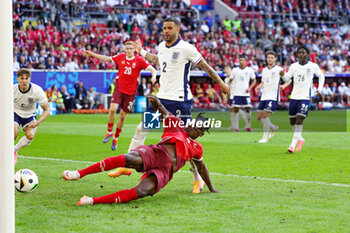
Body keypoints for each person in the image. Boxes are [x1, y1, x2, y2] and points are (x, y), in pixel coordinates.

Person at [108, 17, 229, 195]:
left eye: (170, 28)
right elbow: (160, 61)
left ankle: (198, 179)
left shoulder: (187, 48)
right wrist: (142, 52)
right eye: (164, 28)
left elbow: (206, 67)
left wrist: (221, 83)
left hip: (179, 101)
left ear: (177, 30)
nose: (166, 31)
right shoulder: (162, 46)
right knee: (141, 129)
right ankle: (126, 165)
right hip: (161, 99)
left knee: (186, 143)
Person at [62, 94, 219, 206]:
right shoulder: (177, 124)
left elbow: (202, 168)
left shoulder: (197, 148)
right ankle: (79, 173)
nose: (192, 126)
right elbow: (164, 112)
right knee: (129, 158)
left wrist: (211, 188)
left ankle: (91, 201)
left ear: (201, 133)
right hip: (156, 154)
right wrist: (157, 103)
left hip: (165, 171)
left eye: (198, 127)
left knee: (142, 191)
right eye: (193, 123)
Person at [83, 41, 157, 151]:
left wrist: (154, 76)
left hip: (131, 92)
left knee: (122, 116)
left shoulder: (139, 60)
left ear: (134, 49)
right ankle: (109, 131)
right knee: (112, 109)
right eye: (127, 49)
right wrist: (92, 54)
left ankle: (116, 137)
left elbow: (152, 68)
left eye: (131, 49)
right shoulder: (121, 57)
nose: (128, 51)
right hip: (119, 88)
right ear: (125, 49)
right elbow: (107, 58)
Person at [280, 46, 325, 153]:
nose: (301, 54)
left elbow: (321, 77)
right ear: (297, 55)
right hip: (294, 96)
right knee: (292, 122)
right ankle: (300, 139)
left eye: (303, 53)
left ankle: (292, 145)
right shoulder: (293, 66)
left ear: (307, 54)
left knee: (300, 119)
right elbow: (287, 78)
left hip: (305, 97)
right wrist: (282, 75)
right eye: (299, 53)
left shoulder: (313, 66)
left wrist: (319, 89)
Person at [14, 68, 49, 164]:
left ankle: (13, 151)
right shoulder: (12, 90)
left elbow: (46, 110)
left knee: (30, 136)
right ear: (17, 79)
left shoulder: (37, 90)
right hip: (15, 112)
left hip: (30, 114)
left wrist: (37, 122)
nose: (24, 81)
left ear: (30, 79)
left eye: (26, 78)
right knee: (14, 132)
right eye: (22, 78)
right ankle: (7, 152)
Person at [255, 51, 283, 143]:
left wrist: (284, 86)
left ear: (275, 59)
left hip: (273, 96)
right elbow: (263, 82)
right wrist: (258, 87)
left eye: (271, 57)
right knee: (259, 117)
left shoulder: (279, 69)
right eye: (268, 57)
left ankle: (264, 137)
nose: (269, 59)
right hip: (264, 96)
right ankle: (273, 127)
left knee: (265, 114)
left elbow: (288, 79)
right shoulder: (264, 70)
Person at [227, 55, 256, 132]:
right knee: (236, 109)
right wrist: (227, 87)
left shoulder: (249, 70)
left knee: (248, 109)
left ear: (245, 61)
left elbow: (254, 80)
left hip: (246, 93)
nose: (241, 62)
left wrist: (249, 88)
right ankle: (236, 128)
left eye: (242, 60)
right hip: (236, 93)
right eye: (240, 60)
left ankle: (248, 126)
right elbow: (230, 80)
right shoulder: (235, 70)